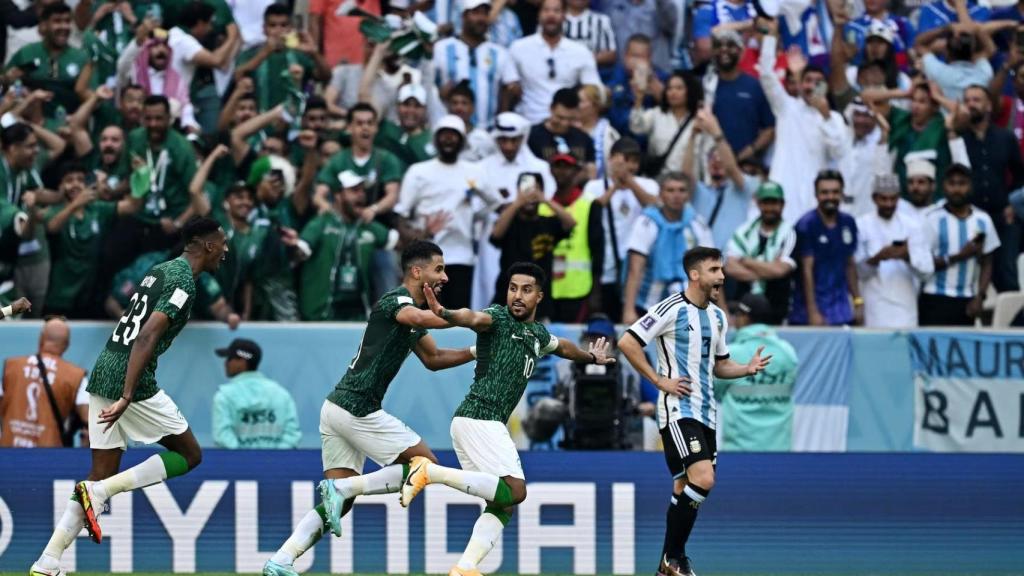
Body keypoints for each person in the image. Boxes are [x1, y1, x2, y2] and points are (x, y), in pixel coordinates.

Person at [29, 217, 228, 575]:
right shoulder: (183, 282)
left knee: (100, 473)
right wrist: (127, 394)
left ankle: (48, 561)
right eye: (223, 243)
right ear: (208, 245)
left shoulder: (160, 269)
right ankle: (103, 494)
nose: (226, 250)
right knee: (190, 454)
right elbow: (147, 335)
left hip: (104, 367)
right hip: (128, 380)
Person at [263, 241, 475, 576]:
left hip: (336, 408)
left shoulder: (414, 318)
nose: (446, 277)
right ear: (417, 272)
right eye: (439, 269)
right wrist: (467, 317)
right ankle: (343, 488)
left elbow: (434, 359)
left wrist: (477, 351)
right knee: (425, 465)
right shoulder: (397, 302)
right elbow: (416, 315)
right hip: (357, 408)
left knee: (340, 506)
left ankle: (281, 560)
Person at [399, 261, 616, 576]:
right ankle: (429, 473)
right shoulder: (497, 319)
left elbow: (564, 347)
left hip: (477, 423)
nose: (517, 295)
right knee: (516, 490)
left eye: (526, 290)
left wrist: (590, 357)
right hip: (480, 417)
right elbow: (472, 317)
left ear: (539, 296)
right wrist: (444, 313)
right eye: (513, 288)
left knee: (503, 504)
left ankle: (465, 568)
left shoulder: (537, 334)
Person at [617, 246, 771, 576]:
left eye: (722, 270)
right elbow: (628, 341)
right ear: (695, 274)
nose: (722, 276)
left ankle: (668, 565)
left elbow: (721, 365)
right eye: (715, 270)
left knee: (683, 487)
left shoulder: (717, 316)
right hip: (677, 409)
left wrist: (746, 368)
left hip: (707, 413)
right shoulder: (670, 308)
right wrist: (660, 380)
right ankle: (674, 558)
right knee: (704, 478)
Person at [395, 115, 503, 309]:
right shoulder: (418, 171)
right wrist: (422, 235)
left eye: (454, 136)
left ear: (462, 141)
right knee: (424, 320)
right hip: (425, 261)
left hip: (461, 258)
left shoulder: (474, 171)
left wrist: (472, 215)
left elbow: (495, 202)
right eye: (443, 135)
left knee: (457, 318)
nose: (448, 139)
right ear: (435, 139)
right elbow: (401, 217)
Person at [759, 18, 850, 222]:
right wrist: (770, 37)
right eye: (808, 81)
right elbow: (766, 75)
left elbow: (839, 151)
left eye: (818, 82)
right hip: (784, 191)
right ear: (800, 85)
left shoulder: (834, 118)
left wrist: (826, 115)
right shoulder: (787, 108)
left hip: (813, 199)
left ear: (826, 87)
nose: (812, 86)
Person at [292, 171, 401, 321]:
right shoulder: (322, 222)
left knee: (388, 257)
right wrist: (293, 245)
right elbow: (300, 252)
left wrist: (426, 233)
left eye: (363, 190)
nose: (361, 195)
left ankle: (390, 316)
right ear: (338, 195)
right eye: (354, 191)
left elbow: (402, 246)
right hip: (321, 316)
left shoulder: (368, 225)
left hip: (359, 316)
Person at [473, 112, 555, 309]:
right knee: (491, 286)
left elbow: (547, 202)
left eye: (513, 140)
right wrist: (501, 206)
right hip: (493, 238)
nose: (508, 146)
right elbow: (475, 209)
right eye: (503, 140)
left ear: (522, 138)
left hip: (530, 237)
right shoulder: (482, 167)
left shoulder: (539, 167)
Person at [43, 162, 141, 318]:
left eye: (80, 180)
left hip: (89, 295)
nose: (75, 184)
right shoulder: (54, 212)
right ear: (60, 186)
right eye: (69, 180)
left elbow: (132, 206)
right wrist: (75, 204)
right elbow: (52, 227)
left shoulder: (98, 209)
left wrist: (141, 177)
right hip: (60, 297)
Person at [582, 137, 659, 321]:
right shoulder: (594, 186)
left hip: (638, 267)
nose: (630, 165)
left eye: (634, 161)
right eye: (625, 160)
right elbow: (592, 211)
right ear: (611, 159)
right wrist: (615, 184)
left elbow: (654, 207)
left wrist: (629, 181)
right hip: (606, 264)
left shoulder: (648, 185)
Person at [622, 171, 713, 324]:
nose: (676, 195)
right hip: (648, 304)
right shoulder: (646, 223)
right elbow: (634, 269)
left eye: (681, 190)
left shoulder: (697, 224)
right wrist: (628, 310)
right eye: (670, 190)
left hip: (689, 306)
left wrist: (721, 308)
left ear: (688, 195)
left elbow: (711, 269)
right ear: (661, 194)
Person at [960, 84, 1024, 292]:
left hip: (1001, 215)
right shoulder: (957, 138)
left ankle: (1014, 323)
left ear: (988, 106)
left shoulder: (1004, 137)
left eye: (976, 100)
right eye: (967, 100)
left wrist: (1010, 203)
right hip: (968, 217)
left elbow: (1019, 175)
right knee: (966, 272)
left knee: (1007, 275)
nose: (971, 105)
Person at [489, 162, 576, 316]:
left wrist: (545, 199)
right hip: (507, 296)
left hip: (540, 298)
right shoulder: (510, 220)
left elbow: (570, 223)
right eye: (525, 189)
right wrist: (517, 203)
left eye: (534, 189)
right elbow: (496, 234)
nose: (529, 194)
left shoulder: (548, 222)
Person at [920, 163, 1001, 326]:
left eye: (962, 183)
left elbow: (987, 262)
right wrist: (960, 256)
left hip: (967, 300)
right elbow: (923, 264)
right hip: (935, 297)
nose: (956, 189)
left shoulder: (983, 220)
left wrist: (979, 296)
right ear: (944, 186)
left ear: (970, 186)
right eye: (952, 183)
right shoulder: (931, 219)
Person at [715, 293, 798, 452]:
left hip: (738, 451)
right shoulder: (788, 352)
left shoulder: (731, 354)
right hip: (781, 450)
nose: (734, 320)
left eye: (737, 315)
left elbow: (715, 392)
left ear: (745, 317)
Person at [855, 174, 935, 328]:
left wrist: (908, 256)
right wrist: (878, 258)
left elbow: (927, 272)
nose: (888, 204)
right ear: (874, 198)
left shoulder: (912, 226)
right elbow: (856, 272)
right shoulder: (861, 225)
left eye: (893, 199)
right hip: (874, 307)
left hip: (905, 308)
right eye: (883, 199)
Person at [1, 316, 89, 448]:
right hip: (49, 460)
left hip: (8, 455)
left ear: (41, 339)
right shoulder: (76, 377)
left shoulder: (12, 367)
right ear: (66, 345)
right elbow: (90, 424)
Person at [790, 170, 863, 326]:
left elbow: (849, 264)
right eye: (825, 192)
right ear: (816, 195)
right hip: (807, 313)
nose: (830, 197)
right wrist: (813, 312)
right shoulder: (806, 225)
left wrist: (858, 301)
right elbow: (806, 270)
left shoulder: (848, 223)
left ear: (842, 194)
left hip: (841, 311)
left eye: (835, 192)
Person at [433, 0, 520, 130]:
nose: (481, 18)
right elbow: (430, 85)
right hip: (448, 131)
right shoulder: (442, 48)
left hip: (487, 131)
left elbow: (514, 88)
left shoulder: (500, 53)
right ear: (464, 15)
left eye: (485, 13)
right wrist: (443, 92)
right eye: (476, 13)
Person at [509, 0, 600, 123]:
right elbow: (509, 87)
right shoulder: (518, 48)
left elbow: (593, 88)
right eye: (546, 10)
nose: (551, 15)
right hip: (528, 121)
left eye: (556, 11)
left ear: (564, 15)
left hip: (566, 123)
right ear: (539, 14)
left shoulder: (581, 52)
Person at [724, 181, 797, 324]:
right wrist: (767, 270)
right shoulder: (744, 231)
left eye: (774, 203)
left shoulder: (789, 233)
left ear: (782, 204)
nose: (769, 208)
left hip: (777, 309)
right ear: (758, 204)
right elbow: (729, 267)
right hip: (744, 308)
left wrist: (746, 261)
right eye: (765, 202)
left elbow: (780, 270)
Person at [3, 2, 90, 121]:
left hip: (69, 124)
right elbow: (6, 81)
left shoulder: (82, 58)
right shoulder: (26, 53)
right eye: (57, 21)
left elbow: (90, 98)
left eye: (67, 21)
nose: (64, 26)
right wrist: (9, 80)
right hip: (30, 126)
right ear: (43, 25)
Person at [234, 4, 330, 111]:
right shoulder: (250, 53)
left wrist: (314, 53)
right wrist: (263, 54)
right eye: (273, 25)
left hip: (294, 121)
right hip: (258, 120)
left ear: (291, 28)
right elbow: (237, 76)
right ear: (264, 29)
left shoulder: (298, 54)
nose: (278, 31)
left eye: (283, 25)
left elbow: (325, 76)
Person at [212, 338, 300, 449]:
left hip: (237, 465)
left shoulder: (223, 396)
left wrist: (244, 462)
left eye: (229, 358)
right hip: (278, 465)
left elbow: (223, 438)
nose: (225, 363)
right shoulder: (282, 394)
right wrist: (275, 461)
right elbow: (292, 437)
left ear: (242, 361)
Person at [704, 28, 775, 165]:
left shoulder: (755, 86)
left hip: (747, 165)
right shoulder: (706, 85)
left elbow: (769, 129)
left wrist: (749, 151)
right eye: (718, 46)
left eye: (731, 46)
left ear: (741, 51)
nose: (724, 50)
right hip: (712, 164)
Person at [629, 70, 704, 176]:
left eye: (679, 88)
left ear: (690, 90)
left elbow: (705, 155)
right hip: (661, 181)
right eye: (669, 88)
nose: (673, 92)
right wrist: (638, 99)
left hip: (691, 182)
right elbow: (636, 127)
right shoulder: (656, 114)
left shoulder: (700, 118)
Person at [527, 87, 597, 176]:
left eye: (570, 119)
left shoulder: (584, 139)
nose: (564, 123)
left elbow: (591, 173)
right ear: (551, 108)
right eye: (560, 118)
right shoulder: (532, 136)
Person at [563, 0, 618, 68]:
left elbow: (611, 55)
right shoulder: (554, 20)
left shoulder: (602, 20)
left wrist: (583, 60)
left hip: (595, 73)